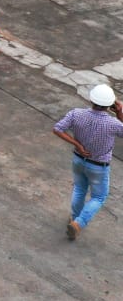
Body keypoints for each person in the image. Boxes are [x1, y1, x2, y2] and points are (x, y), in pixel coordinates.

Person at [53, 83, 123, 241]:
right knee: (99, 197)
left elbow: (57, 129)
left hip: (78, 159)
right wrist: (119, 112)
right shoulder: (113, 124)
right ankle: (79, 223)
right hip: (99, 166)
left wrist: (77, 144)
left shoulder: (76, 114)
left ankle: (74, 219)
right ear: (110, 104)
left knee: (79, 189)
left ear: (91, 99)